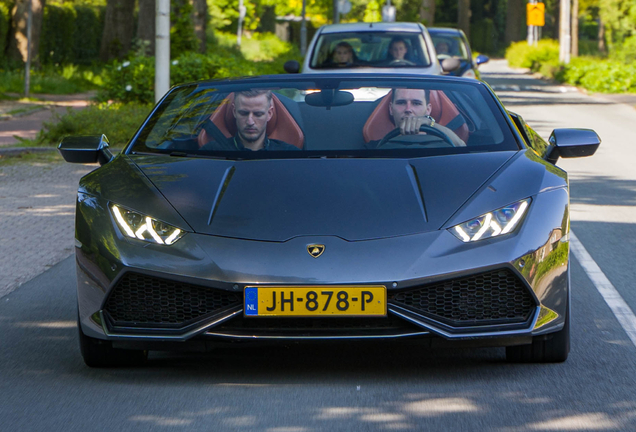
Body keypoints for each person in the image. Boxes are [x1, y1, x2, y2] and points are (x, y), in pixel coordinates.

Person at [201, 90, 299, 152]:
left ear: (269, 113)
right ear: (234, 112)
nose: (250, 122)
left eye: (258, 114)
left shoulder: (289, 154)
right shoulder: (211, 152)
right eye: (243, 113)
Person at [370, 88, 466, 147]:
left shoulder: (443, 145)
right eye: (401, 103)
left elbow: (461, 147)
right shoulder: (373, 149)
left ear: (428, 110)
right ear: (391, 109)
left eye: (416, 103)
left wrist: (429, 123)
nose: (408, 109)